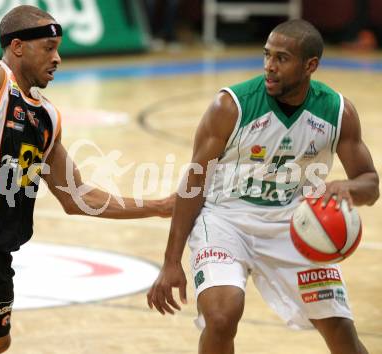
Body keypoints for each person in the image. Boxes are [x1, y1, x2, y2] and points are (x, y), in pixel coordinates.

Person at [0, 5, 173, 354]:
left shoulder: (46, 116)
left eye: (59, 48)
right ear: (18, 47)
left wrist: (160, 207)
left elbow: (79, 198)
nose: (58, 58)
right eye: (49, 48)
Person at [147, 19, 379, 354]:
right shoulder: (231, 105)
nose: (269, 66)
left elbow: (370, 183)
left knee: (341, 331)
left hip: (296, 226)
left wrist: (349, 188)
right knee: (222, 315)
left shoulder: (338, 111)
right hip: (226, 220)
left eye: (282, 58)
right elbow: (193, 184)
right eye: (267, 55)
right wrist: (171, 261)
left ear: (310, 65)